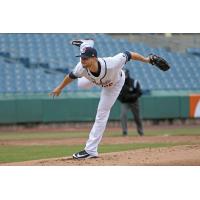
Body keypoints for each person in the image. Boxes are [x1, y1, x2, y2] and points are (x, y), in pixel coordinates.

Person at [49, 39, 153, 159]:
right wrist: (59, 88)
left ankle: (90, 150)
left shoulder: (113, 63)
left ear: (94, 58)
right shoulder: (81, 67)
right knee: (81, 84)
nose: (82, 60)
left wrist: (146, 59)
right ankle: (86, 44)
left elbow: (130, 54)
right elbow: (70, 76)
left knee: (102, 113)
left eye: (85, 58)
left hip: (114, 83)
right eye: (81, 57)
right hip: (95, 80)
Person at [118, 69, 144, 136]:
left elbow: (140, 92)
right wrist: (122, 99)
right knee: (123, 115)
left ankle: (140, 131)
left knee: (137, 117)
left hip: (134, 102)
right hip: (125, 102)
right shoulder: (119, 83)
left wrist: (133, 96)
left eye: (125, 74)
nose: (124, 76)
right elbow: (117, 94)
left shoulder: (134, 82)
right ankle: (125, 131)